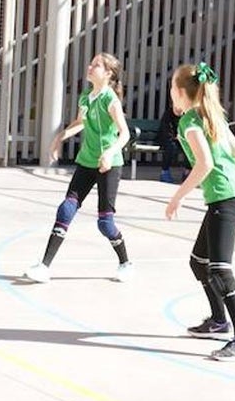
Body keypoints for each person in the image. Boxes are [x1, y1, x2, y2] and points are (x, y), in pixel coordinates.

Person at [165, 62, 235, 361]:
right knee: (198, 262)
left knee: (220, 270)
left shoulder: (190, 123)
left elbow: (204, 164)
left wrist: (177, 197)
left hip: (225, 198)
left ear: (179, 92)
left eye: (171, 90)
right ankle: (219, 321)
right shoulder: (211, 114)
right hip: (232, 194)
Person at [25, 53, 134, 283]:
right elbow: (80, 122)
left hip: (108, 165)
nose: (90, 66)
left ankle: (125, 262)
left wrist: (109, 152)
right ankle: (44, 266)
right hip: (86, 160)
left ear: (108, 73)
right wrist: (60, 137)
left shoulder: (110, 100)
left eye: (96, 65)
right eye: (90, 62)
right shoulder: (86, 96)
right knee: (66, 208)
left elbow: (124, 133)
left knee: (105, 223)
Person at [157, 96, 185, 184]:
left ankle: (187, 171)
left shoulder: (186, 116)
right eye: (176, 106)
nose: (178, 108)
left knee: (190, 146)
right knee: (171, 146)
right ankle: (165, 171)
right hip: (167, 139)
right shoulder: (168, 115)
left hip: (180, 140)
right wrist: (175, 137)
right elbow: (165, 131)